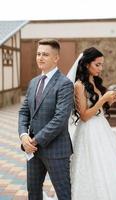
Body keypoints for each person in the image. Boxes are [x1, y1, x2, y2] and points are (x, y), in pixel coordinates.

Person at [67, 47, 116, 200]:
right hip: (88, 132)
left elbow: (99, 110)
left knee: (107, 163)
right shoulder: (79, 85)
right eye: (97, 64)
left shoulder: (95, 82)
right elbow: (84, 115)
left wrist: (109, 102)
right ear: (86, 64)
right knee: (91, 164)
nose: (100, 68)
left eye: (102, 64)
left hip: (101, 129)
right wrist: (103, 99)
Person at [18, 39, 74, 200]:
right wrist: (23, 136)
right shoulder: (33, 82)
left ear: (56, 58)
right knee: (33, 192)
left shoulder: (64, 84)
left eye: (45, 54)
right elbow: (23, 112)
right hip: (33, 151)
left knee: (63, 193)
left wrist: (33, 141)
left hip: (56, 150)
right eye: (38, 54)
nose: (40, 57)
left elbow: (60, 119)